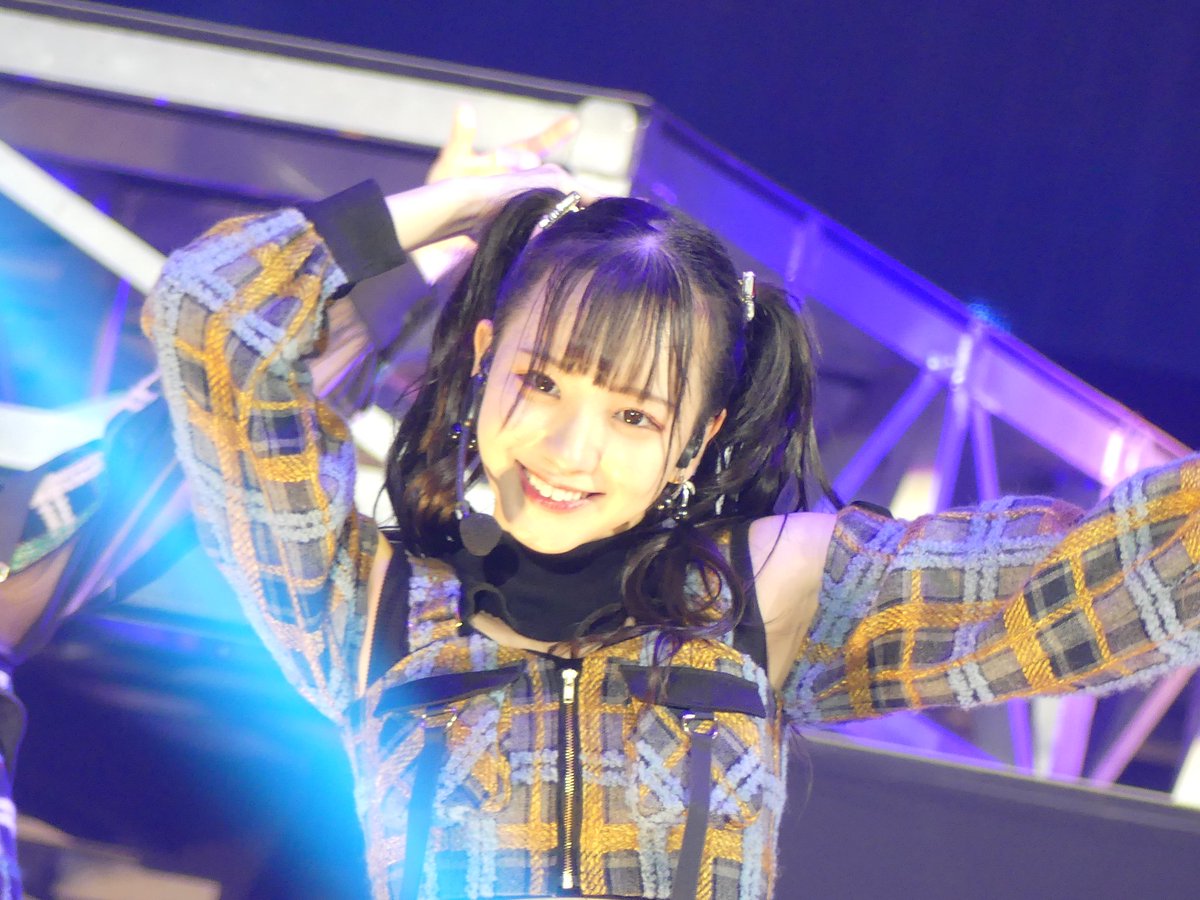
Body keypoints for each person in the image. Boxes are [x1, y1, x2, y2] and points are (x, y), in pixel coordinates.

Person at [141, 149, 1200, 900]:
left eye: (634, 416)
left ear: (696, 441)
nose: (570, 450)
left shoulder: (764, 593)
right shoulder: (370, 605)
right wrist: (482, 206)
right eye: (542, 383)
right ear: (484, 361)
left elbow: (1110, 584)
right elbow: (208, 317)